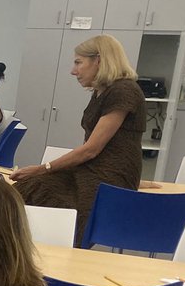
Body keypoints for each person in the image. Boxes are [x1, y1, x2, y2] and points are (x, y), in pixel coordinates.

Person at [13, 34, 146, 243]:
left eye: (78, 63)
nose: (73, 71)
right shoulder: (102, 91)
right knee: (29, 188)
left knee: (56, 202)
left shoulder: (124, 91)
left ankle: (58, 253)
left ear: (99, 61)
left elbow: (91, 149)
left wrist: (42, 167)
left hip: (108, 174)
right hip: (94, 168)